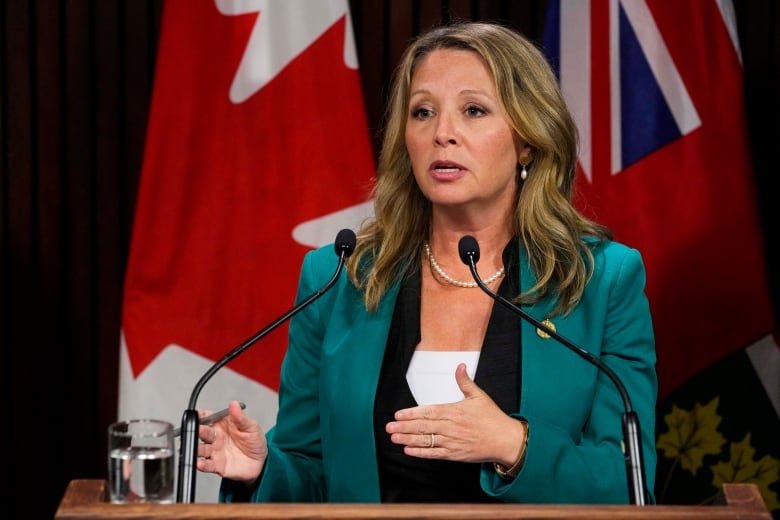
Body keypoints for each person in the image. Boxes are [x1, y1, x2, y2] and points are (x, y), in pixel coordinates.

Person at [195, 21, 657, 505]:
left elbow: (629, 484)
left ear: (529, 139)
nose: (442, 134)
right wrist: (261, 470)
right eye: (423, 112)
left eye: (473, 110)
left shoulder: (602, 282)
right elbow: (312, 469)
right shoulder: (340, 277)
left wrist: (513, 445)